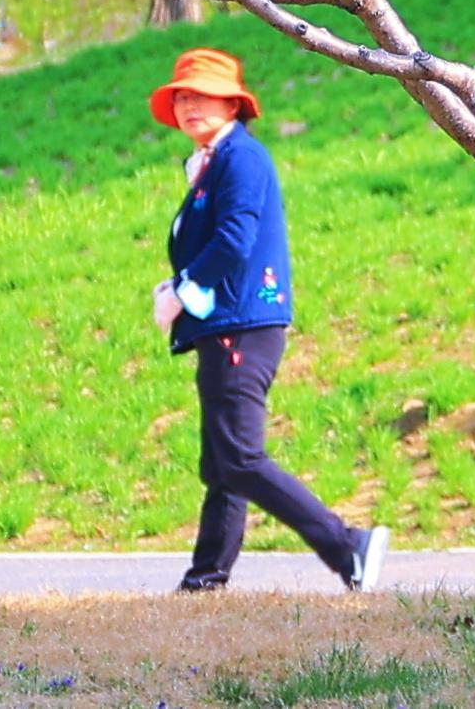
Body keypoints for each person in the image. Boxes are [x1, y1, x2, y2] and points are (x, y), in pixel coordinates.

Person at [149, 46, 388, 594]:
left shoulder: (241, 159)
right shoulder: (215, 162)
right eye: (182, 96)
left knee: (240, 456)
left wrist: (182, 292)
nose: (190, 106)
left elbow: (234, 240)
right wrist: (179, 285)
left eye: (203, 95)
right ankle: (206, 579)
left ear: (233, 104)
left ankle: (348, 544)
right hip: (228, 325)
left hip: (242, 325)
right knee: (222, 461)